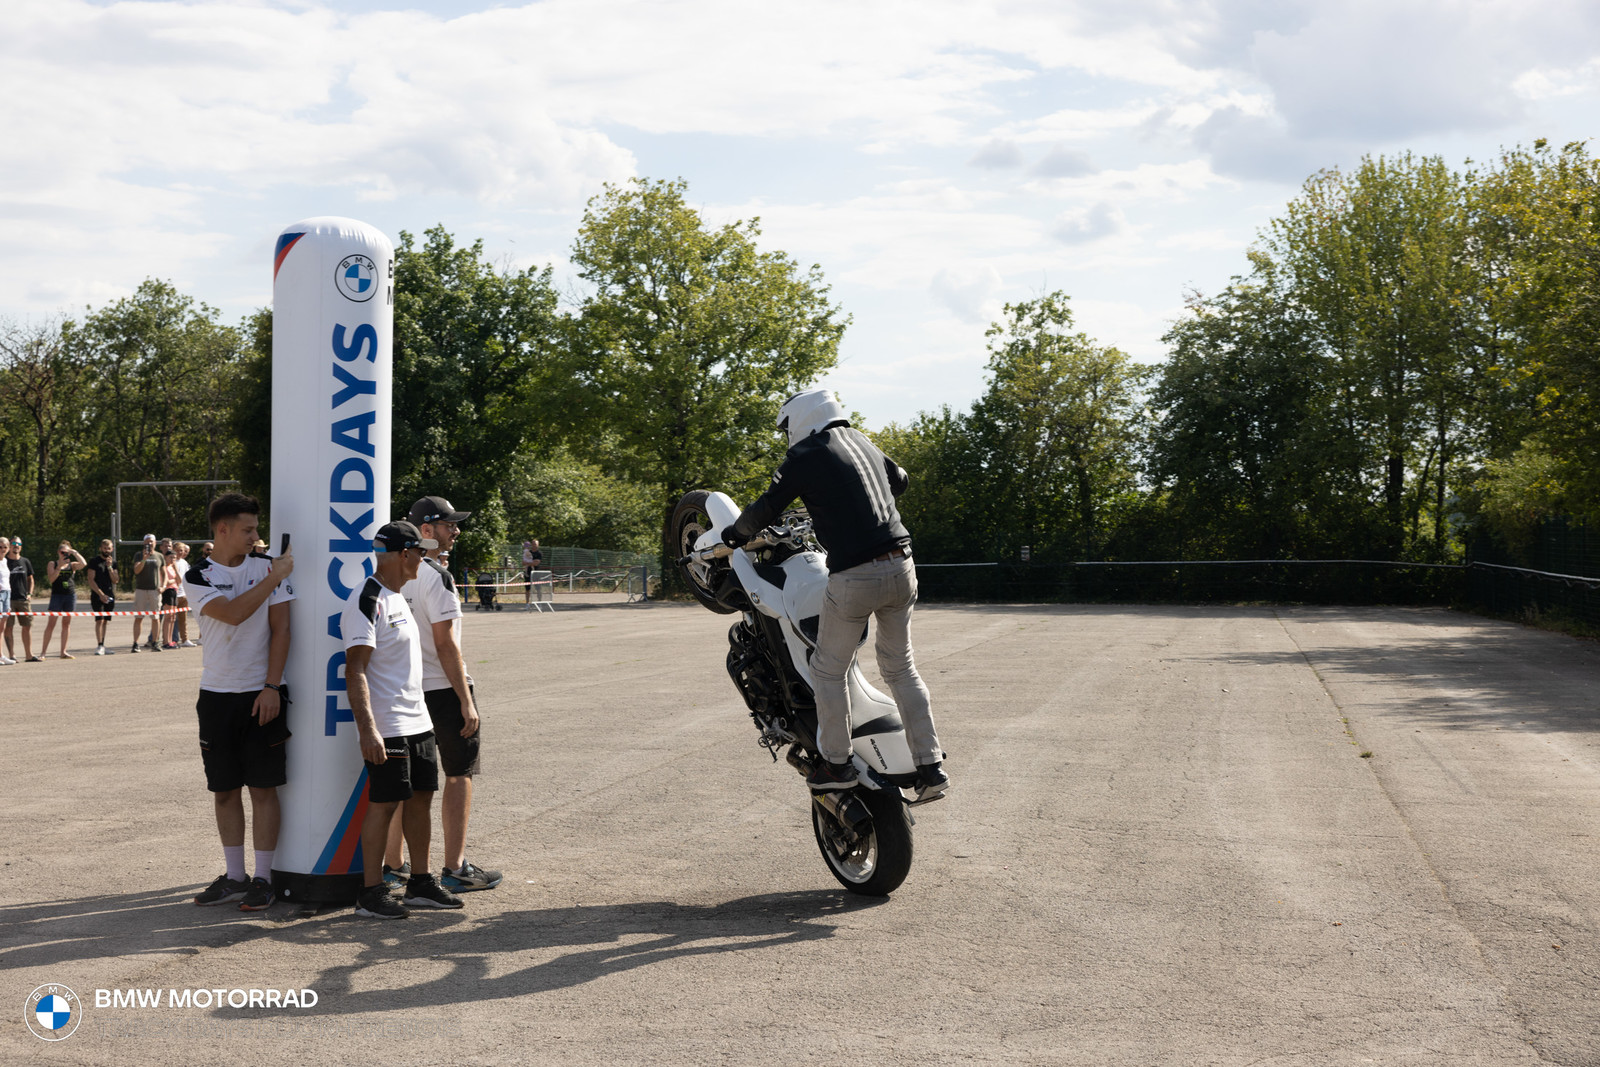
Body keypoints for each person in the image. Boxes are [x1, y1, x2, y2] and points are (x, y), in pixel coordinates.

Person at [721, 388, 949, 801]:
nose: (787, 435)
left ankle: (837, 765)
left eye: (787, 427)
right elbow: (900, 480)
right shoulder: (861, 440)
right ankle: (930, 768)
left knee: (829, 670)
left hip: (856, 576)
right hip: (903, 566)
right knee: (901, 669)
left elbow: (765, 508)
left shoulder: (806, 454)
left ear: (802, 418)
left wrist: (734, 536)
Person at [380, 496, 501, 894]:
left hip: (407, 688)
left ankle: (393, 865)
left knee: (407, 784)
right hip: (443, 688)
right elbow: (446, 644)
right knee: (458, 775)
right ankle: (455, 867)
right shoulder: (437, 575)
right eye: (449, 524)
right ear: (426, 531)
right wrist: (465, 698)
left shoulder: (392, 570)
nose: (457, 530)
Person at [345, 520, 463, 919]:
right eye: (418, 552)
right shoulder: (367, 598)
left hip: (418, 720)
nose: (423, 558)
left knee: (420, 800)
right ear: (402, 554)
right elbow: (355, 669)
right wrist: (368, 729)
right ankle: (371, 892)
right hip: (388, 724)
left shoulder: (398, 595)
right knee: (383, 804)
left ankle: (421, 883)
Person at [183, 494, 295, 911]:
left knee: (264, 790)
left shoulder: (268, 567)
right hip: (216, 696)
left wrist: (271, 686)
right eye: (247, 529)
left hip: (261, 692)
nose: (254, 536)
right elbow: (231, 614)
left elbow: (281, 631)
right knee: (225, 790)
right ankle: (234, 876)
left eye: (256, 529)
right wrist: (273, 576)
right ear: (222, 529)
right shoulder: (197, 575)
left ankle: (262, 879)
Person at [38, 541, 87, 659]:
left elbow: (84, 564)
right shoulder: (53, 564)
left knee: (66, 623)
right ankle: (43, 653)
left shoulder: (72, 565)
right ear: (58, 552)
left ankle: (63, 651)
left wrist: (75, 552)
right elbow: (51, 579)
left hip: (70, 595)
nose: (65, 555)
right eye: (62, 552)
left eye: (67, 553)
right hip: (57, 596)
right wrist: (59, 566)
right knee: (51, 623)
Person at [5, 537, 36, 663]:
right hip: (8, 600)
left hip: (23, 599)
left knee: (27, 626)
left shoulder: (25, 561)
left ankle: (29, 655)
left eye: (18, 544)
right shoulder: (4, 561)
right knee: (8, 628)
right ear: (9, 546)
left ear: (21, 546)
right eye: (13, 543)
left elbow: (31, 579)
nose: (16, 546)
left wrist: (29, 593)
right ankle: (12, 655)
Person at [130, 534, 162, 653]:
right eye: (147, 542)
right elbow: (136, 571)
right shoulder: (139, 555)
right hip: (141, 589)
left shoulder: (159, 556)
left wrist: (163, 586)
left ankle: (155, 642)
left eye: (151, 542)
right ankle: (135, 643)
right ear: (144, 543)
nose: (149, 544)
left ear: (155, 543)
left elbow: (163, 572)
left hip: (155, 590)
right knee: (139, 617)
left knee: (155, 617)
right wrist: (144, 558)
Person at [86, 539, 118, 655]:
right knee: (99, 620)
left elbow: (115, 580)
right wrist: (100, 594)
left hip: (109, 595)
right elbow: (91, 579)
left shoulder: (113, 562)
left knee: (105, 621)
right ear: (100, 548)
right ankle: (99, 645)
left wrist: (109, 567)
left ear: (112, 549)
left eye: (109, 548)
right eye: (105, 548)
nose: (107, 550)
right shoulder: (94, 561)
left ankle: (103, 645)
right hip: (97, 595)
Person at [174, 542, 196, 647]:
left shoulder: (184, 562)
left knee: (183, 619)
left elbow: (188, 577)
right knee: (171, 619)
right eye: (178, 550)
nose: (180, 552)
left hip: (183, 594)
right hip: (173, 594)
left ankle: (185, 639)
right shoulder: (171, 562)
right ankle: (171, 639)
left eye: (182, 550)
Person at [0, 537, 13, 665]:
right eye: (0, 547)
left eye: (5, 547)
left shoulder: (5, 561)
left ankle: (1, 655)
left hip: (7, 593)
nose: (2, 550)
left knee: (2, 627)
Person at [520, 539, 542, 606]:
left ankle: (539, 603)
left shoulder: (539, 553)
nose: (534, 545)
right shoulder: (527, 552)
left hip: (536, 573)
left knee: (538, 588)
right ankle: (527, 603)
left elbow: (536, 563)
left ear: (538, 545)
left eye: (535, 544)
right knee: (527, 589)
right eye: (533, 544)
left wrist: (529, 563)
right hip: (528, 572)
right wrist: (531, 563)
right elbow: (523, 562)